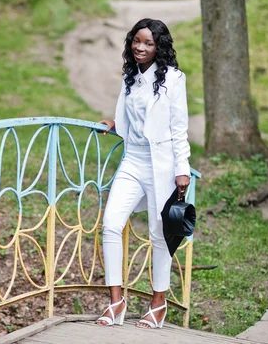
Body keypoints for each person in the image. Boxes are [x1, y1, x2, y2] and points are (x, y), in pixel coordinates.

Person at [95, 18, 191, 329]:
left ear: (159, 47)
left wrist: (182, 170)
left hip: (161, 165)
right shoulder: (131, 76)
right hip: (132, 161)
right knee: (111, 224)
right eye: (137, 40)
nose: (140, 47)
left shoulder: (174, 80)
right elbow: (132, 115)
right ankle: (116, 302)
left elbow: (179, 128)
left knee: (159, 234)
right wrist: (115, 124)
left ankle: (158, 304)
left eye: (148, 43)